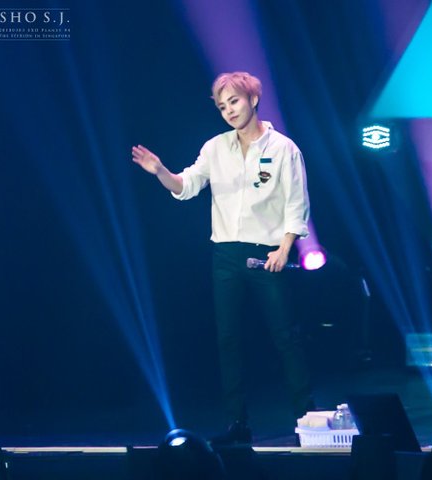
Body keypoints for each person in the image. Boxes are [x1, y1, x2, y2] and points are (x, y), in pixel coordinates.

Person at [132, 72, 315, 444]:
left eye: (234, 101)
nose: (229, 111)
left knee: (285, 337)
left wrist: (284, 248)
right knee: (228, 338)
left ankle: (305, 418)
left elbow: (296, 204)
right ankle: (237, 423)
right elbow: (186, 186)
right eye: (221, 106)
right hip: (226, 254)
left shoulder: (284, 148)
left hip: (267, 253)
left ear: (253, 99)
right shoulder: (215, 148)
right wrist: (161, 172)